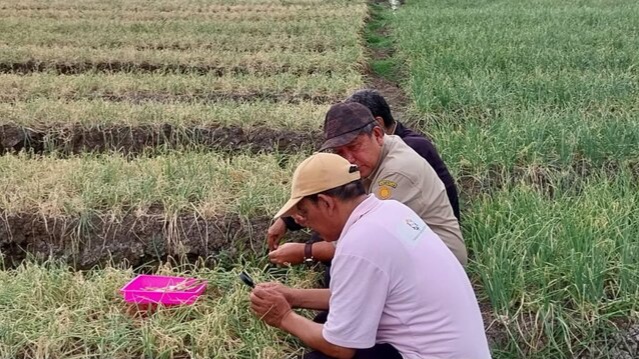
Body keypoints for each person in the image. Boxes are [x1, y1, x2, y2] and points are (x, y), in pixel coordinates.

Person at [250, 152, 491, 359]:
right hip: (457, 349)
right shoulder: (391, 211)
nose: (307, 223)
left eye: (304, 212)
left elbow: (340, 347)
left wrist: (283, 316)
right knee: (328, 320)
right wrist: (292, 296)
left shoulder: (360, 243)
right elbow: (355, 294)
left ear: (326, 203)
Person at [268, 102, 467, 266]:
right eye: (339, 152)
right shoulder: (374, 156)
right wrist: (288, 220)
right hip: (407, 253)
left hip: (437, 264)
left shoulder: (396, 172)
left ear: (378, 135)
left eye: (354, 146)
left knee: (346, 266)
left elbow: (365, 242)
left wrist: (305, 251)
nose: (349, 159)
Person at [345, 89, 460, 220]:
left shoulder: (412, 148)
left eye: (355, 143)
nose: (349, 158)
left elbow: (377, 218)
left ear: (378, 125)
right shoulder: (399, 144)